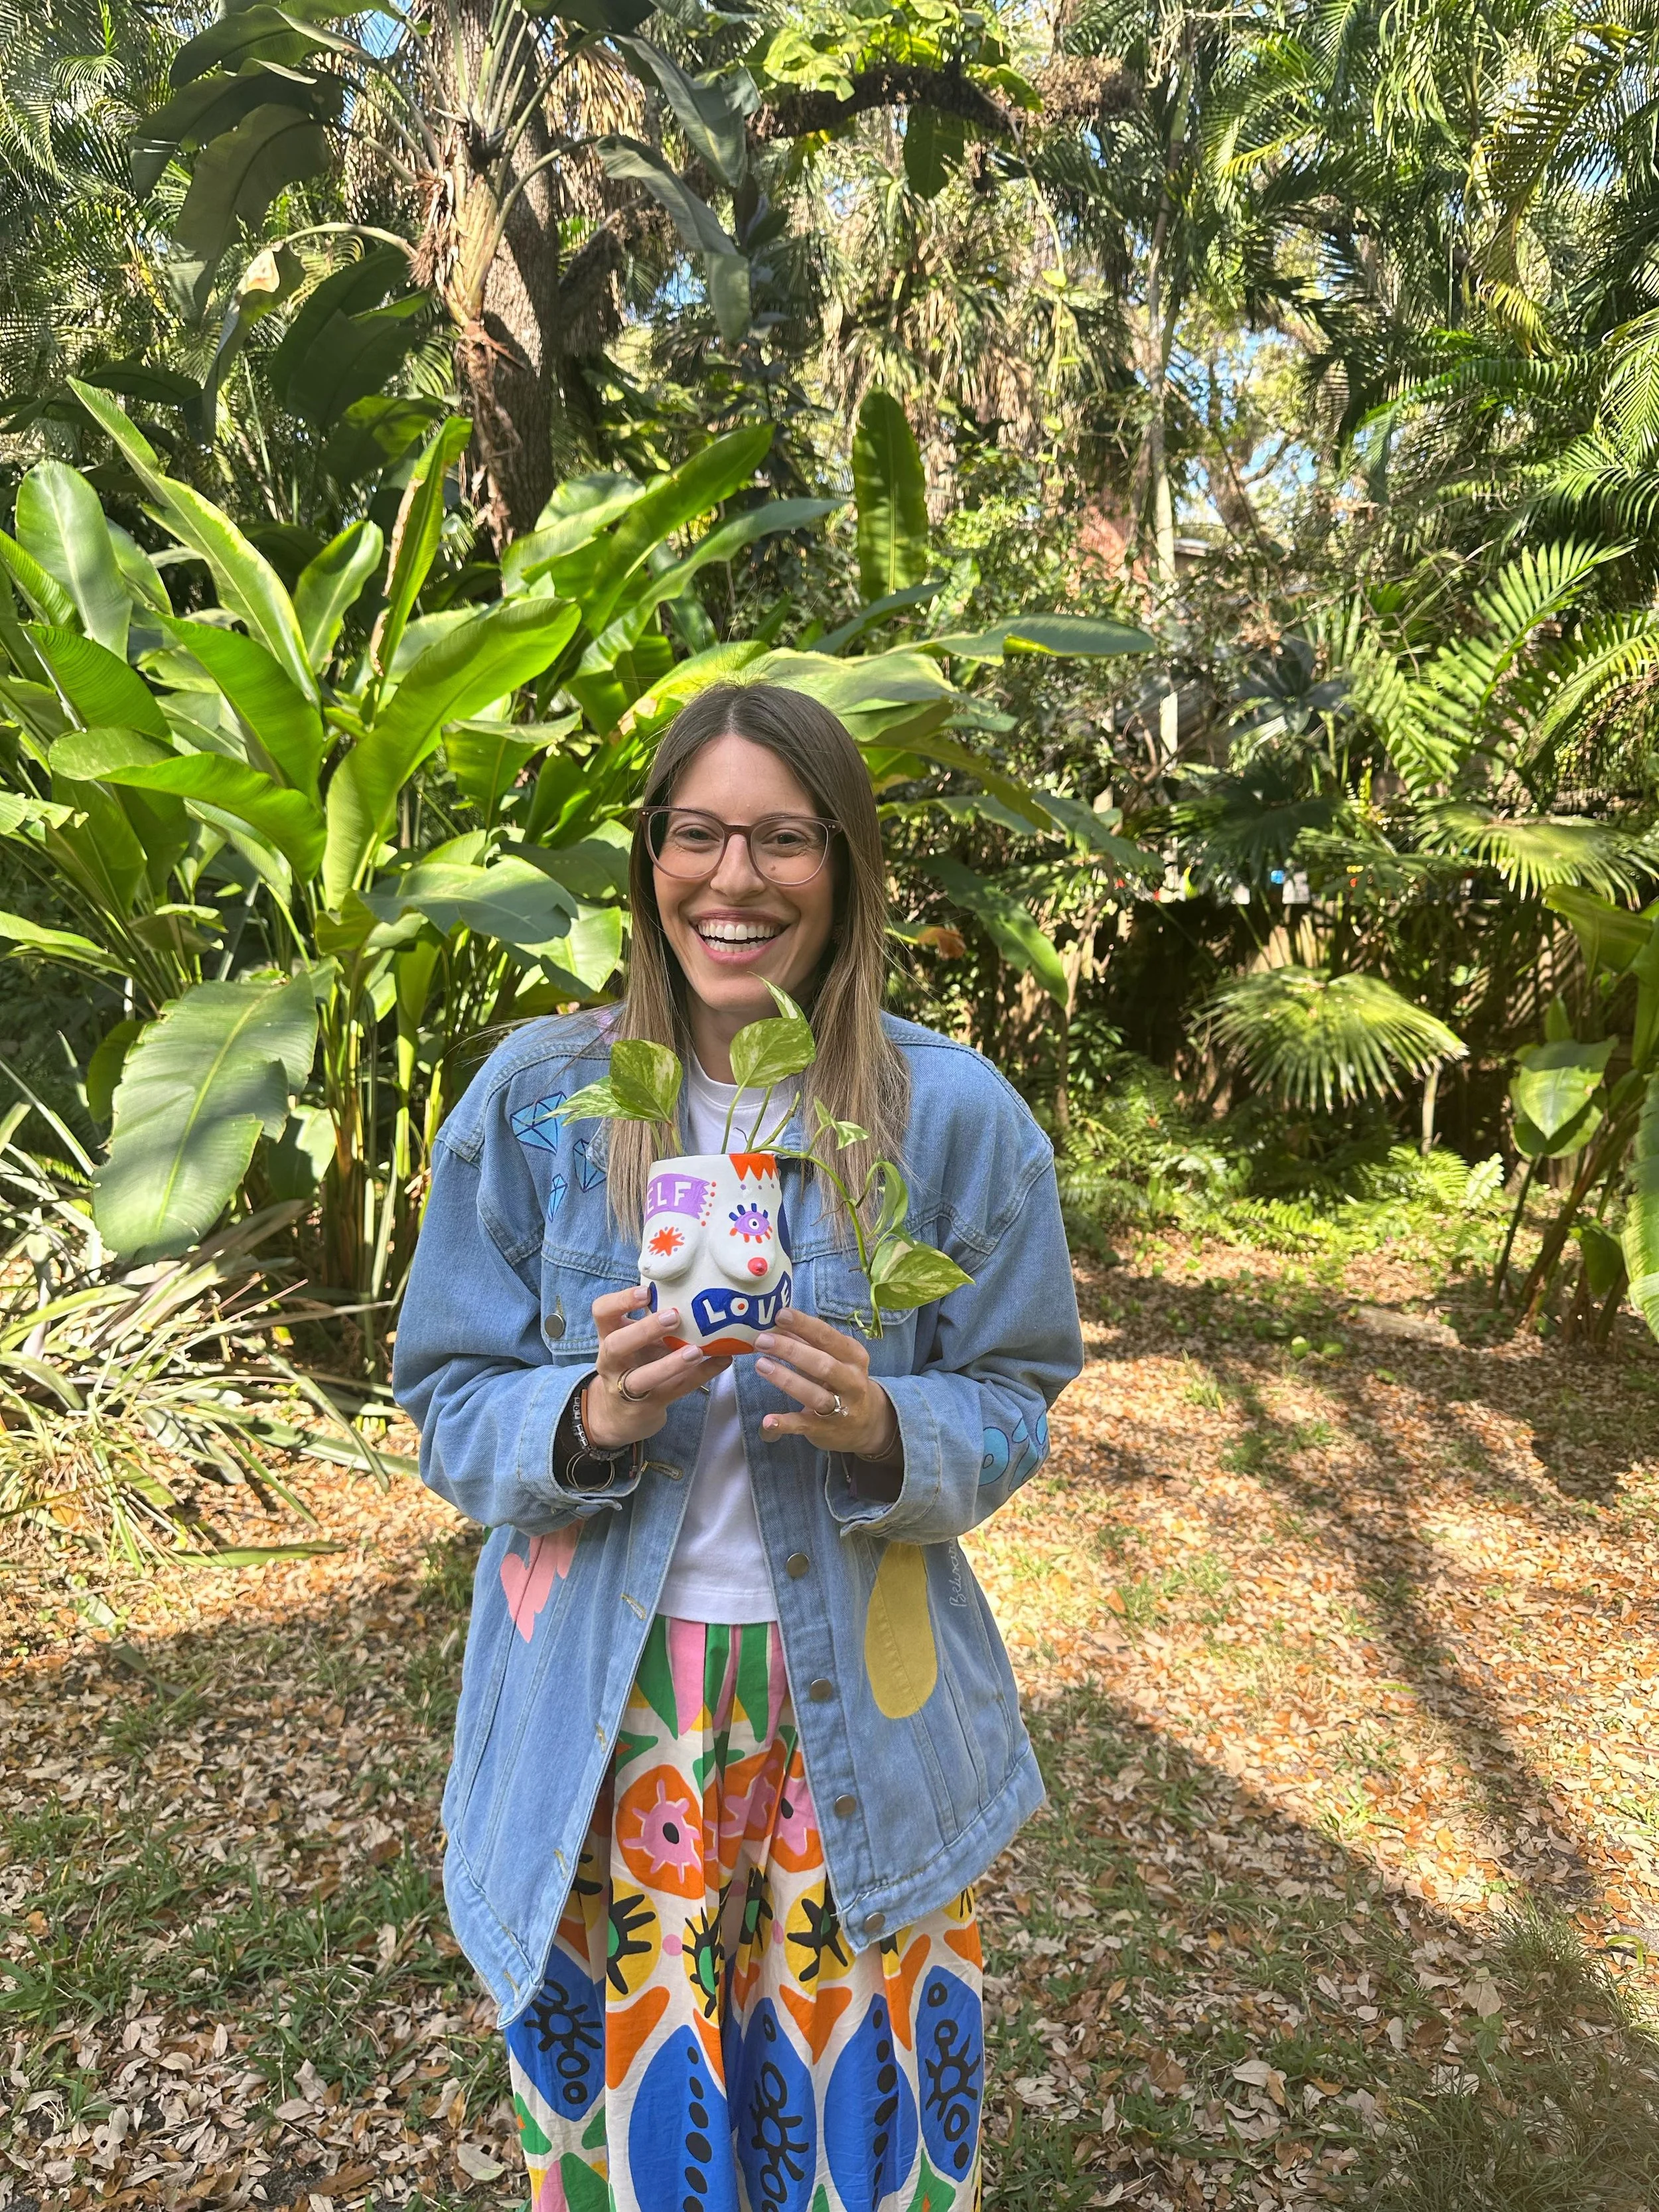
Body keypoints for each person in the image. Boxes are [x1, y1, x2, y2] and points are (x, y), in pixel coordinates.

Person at [394, 682, 1084, 2212]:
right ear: (649, 861)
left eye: (783, 838)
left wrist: (888, 1423)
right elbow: (443, 1395)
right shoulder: (540, 1105)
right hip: (608, 1709)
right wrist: (587, 1415)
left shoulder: (944, 1116)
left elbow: (1020, 1386)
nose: (735, 877)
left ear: (841, 866)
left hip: (850, 1720)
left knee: (854, 2143)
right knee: (651, 2158)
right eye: (696, 834)